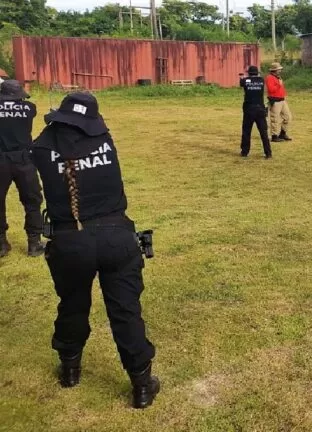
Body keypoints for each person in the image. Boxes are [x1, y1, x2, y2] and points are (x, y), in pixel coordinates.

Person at [32, 92, 160, 409]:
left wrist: (54, 120)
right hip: (117, 236)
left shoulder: (43, 145)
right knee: (126, 311)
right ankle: (141, 385)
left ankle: (70, 369)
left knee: (73, 306)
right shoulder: (104, 139)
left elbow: (42, 142)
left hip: (69, 241)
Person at [0, 80, 45, 258]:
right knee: (32, 200)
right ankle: (34, 243)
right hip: (24, 159)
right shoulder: (29, 108)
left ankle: (1, 244)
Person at [239, 65, 272, 159]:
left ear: (249, 73)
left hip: (249, 109)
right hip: (260, 109)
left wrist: (242, 77)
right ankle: (268, 153)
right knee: (263, 132)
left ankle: (245, 152)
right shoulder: (261, 80)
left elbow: (242, 83)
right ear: (257, 73)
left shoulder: (245, 80)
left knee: (246, 131)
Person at [266, 62, 292, 143]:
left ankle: (282, 134)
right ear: (274, 70)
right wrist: (279, 85)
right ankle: (274, 136)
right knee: (275, 119)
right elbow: (271, 90)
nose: (280, 70)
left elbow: (280, 89)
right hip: (275, 100)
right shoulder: (269, 78)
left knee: (288, 117)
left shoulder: (278, 77)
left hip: (282, 100)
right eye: (279, 69)